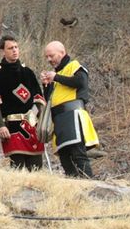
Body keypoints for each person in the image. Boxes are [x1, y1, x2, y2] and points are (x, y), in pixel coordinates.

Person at [0, 35, 48, 170]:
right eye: (10, 48)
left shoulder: (28, 72)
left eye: (16, 47)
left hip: (32, 126)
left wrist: (41, 124)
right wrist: (1, 126)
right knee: (17, 168)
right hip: (12, 126)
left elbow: (39, 100)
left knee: (36, 168)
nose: (14, 50)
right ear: (2, 51)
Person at [41, 41, 99, 179]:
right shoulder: (56, 74)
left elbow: (80, 82)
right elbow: (49, 98)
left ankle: (88, 184)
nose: (49, 60)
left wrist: (56, 77)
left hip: (72, 116)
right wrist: (46, 85)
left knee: (78, 154)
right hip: (59, 119)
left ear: (62, 52)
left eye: (51, 55)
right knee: (64, 157)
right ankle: (73, 185)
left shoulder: (74, 65)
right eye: (47, 57)